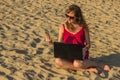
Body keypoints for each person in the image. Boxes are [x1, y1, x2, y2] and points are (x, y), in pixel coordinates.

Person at [45, 4, 110, 73]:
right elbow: (60, 44)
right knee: (58, 60)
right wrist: (50, 42)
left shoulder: (83, 27)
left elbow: (88, 44)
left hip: (80, 53)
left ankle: (97, 64)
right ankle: (86, 69)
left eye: (71, 17)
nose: (68, 19)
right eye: (67, 16)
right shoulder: (62, 27)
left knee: (77, 64)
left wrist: (85, 49)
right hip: (67, 53)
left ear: (77, 17)